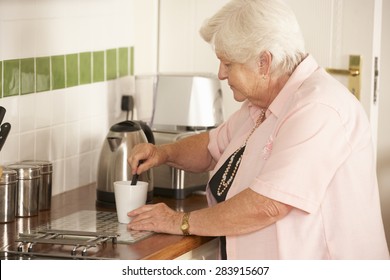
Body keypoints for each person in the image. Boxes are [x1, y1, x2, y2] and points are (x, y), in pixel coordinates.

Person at [127, 0, 389, 259]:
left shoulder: (319, 108)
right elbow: (211, 146)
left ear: (264, 62)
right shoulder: (262, 103)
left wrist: (179, 222)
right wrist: (163, 153)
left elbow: (269, 204)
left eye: (228, 63)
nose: (220, 73)